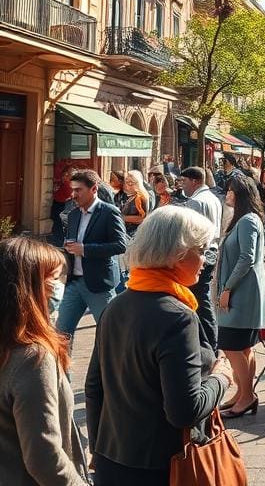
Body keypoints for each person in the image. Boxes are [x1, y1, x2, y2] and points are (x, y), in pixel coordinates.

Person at [85, 206, 234, 485]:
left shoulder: (117, 305)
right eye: (200, 250)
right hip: (161, 466)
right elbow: (183, 411)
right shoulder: (177, 317)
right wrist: (221, 378)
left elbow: (95, 388)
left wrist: (97, 448)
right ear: (176, 254)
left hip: (112, 460)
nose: (205, 260)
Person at [0, 236, 87, 485]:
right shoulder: (33, 358)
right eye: (55, 278)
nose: (60, 286)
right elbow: (45, 460)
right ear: (31, 287)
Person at [215, 175, 265, 418]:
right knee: (243, 347)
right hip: (244, 291)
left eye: (230, 191)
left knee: (231, 345)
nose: (227, 194)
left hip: (241, 292)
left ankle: (246, 395)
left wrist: (227, 288)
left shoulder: (248, 220)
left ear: (240, 194)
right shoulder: (246, 219)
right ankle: (243, 394)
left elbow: (246, 258)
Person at [55, 169, 127, 343]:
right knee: (60, 336)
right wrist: (68, 248)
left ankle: (111, 370)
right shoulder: (73, 215)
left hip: (99, 285)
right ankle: (62, 371)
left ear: (94, 189)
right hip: (74, 284)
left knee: (111, 336)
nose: (73, 194)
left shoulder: (109, 212)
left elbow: (120, 245)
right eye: (72, 190)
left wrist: (86, 249)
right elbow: (73, 242)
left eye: (78, 190)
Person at [181, 165, 223, 352]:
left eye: (184, 181)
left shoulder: (196, 201)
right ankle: (209, 341)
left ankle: (209, 342)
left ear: (195, 181)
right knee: (202, 297)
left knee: (199, 299)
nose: (182, 186)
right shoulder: (212, 198)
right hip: (212, 250)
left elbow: (191, 233)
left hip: (201, 252)